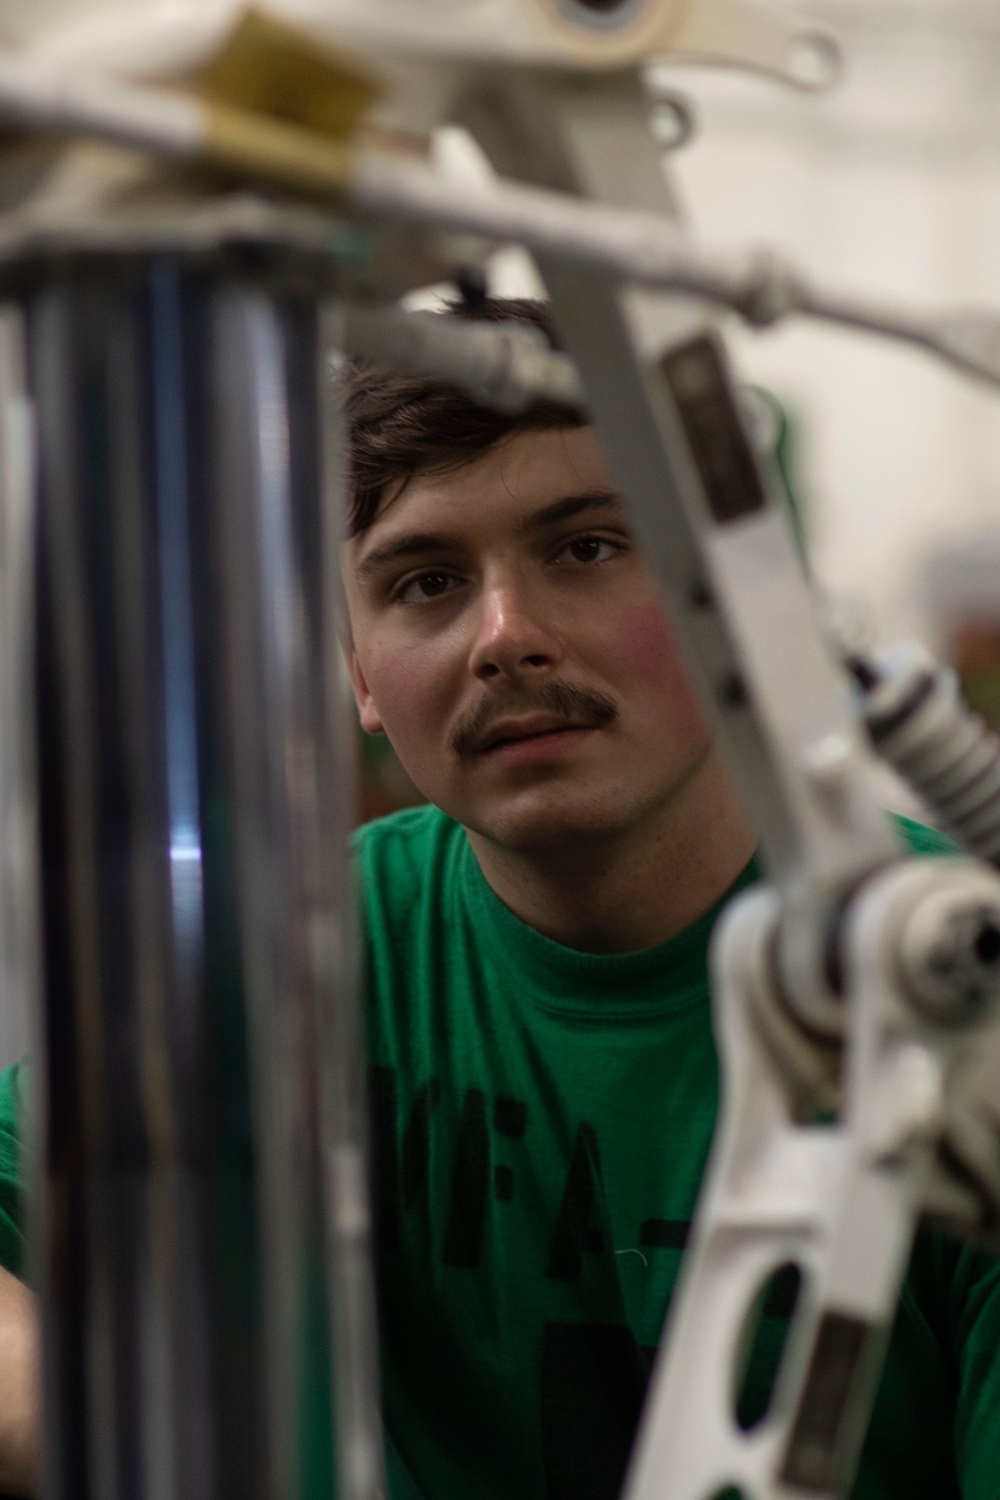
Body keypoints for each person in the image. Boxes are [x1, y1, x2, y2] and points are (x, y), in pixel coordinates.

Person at [0, 297, 998, 1500]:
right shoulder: (307, 952)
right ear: (360, 676)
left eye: (584, 547)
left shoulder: (946, 993)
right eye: (424, 580)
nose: (504, 637)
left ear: (739, 609)